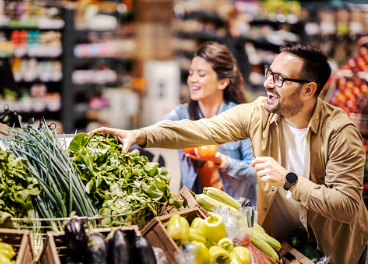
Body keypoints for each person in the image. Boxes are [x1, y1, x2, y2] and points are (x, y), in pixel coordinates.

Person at [91, 42, 368, 264]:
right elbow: (200, 130)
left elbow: (347, 205)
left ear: (308, 90)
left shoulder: (339, 133)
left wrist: (289, 180)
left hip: (333, 248)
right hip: (284, 245)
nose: (269, 83)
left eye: (280, 79)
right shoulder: (258, 113)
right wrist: (141, 135)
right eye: (270, 73)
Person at [159, 41, 257, 205]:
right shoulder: (182, 115)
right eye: (191, 73)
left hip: (237, 213)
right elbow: (152, 133)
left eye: (201, 74)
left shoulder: (241, 118)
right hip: (198, 213)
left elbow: (255, 174)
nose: (193, 80)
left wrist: (221, 159)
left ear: (223, 82)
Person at [221, 5, 251, 86]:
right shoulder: (228, 45)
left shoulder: (240, 42)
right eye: (242, 22)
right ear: (232, 21)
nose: (246, 26)